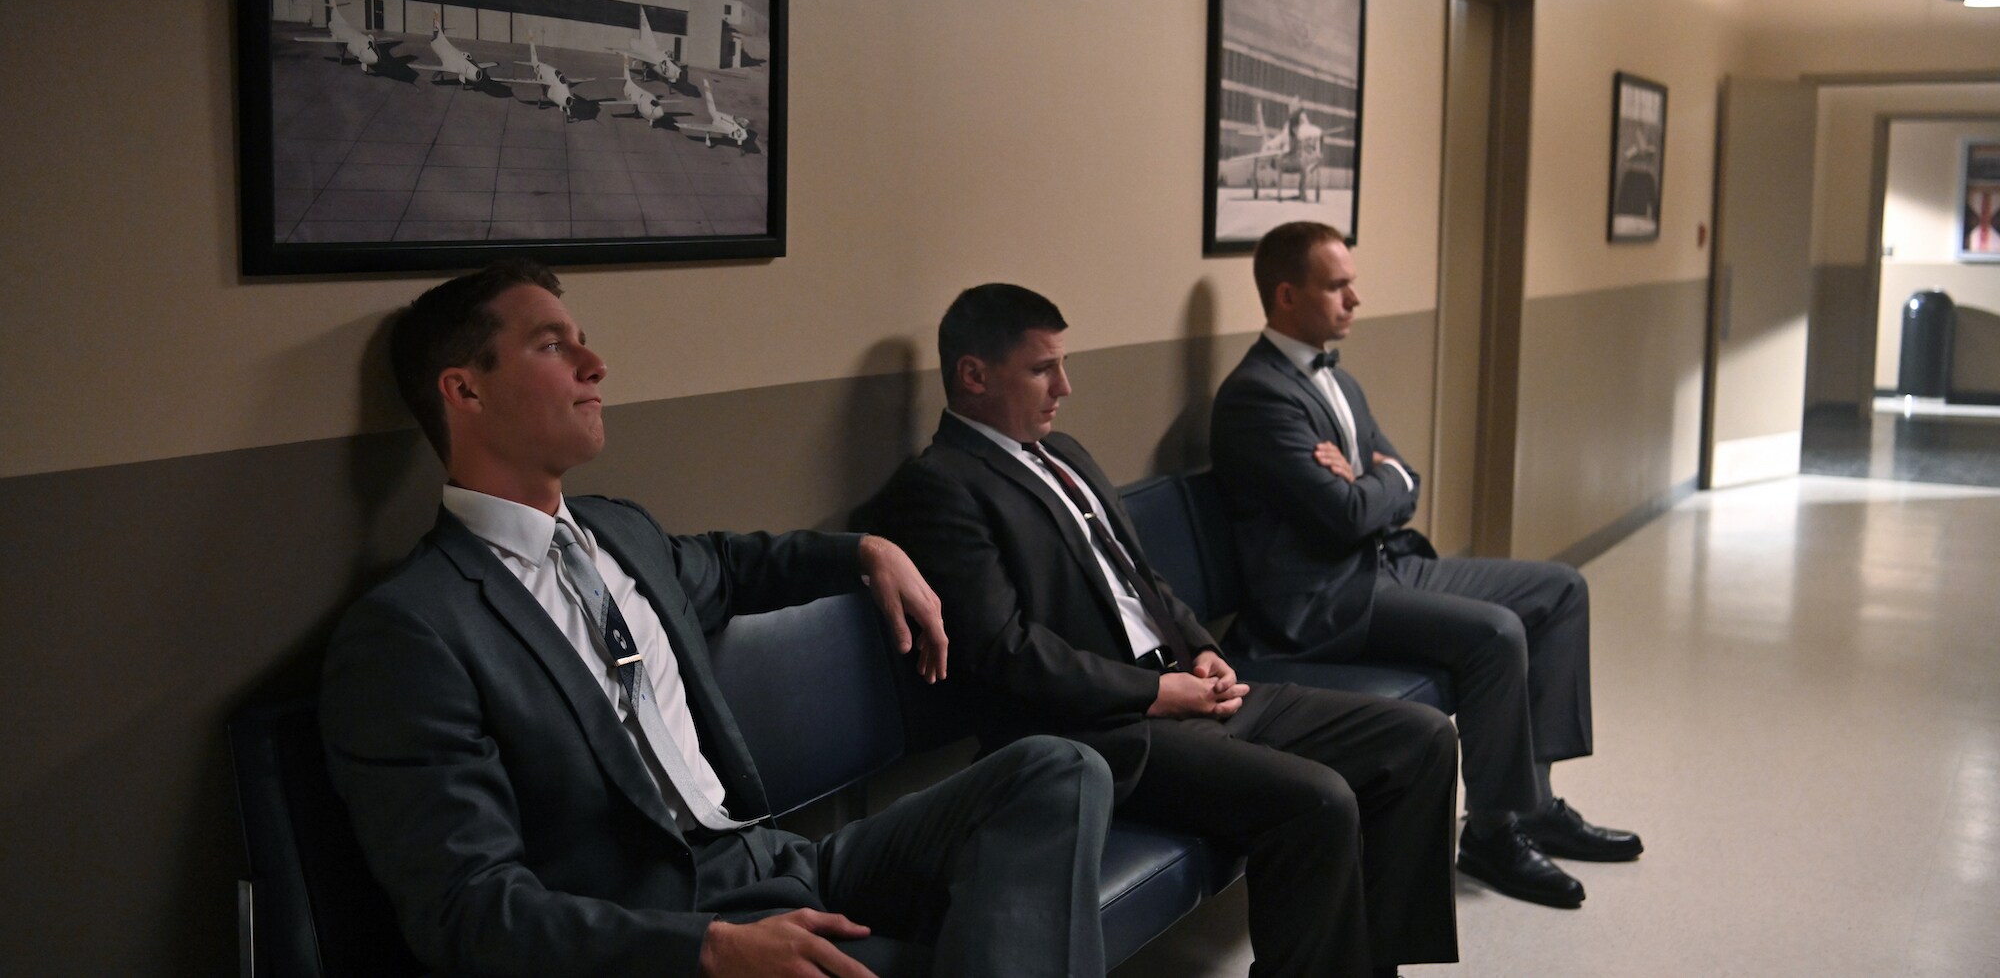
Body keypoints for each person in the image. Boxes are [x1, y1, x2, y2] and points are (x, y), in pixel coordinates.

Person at [320, 261, 1113, 978]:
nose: (596, 366)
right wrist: (707, 948)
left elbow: (737, 565)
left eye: (583, 343)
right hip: (670, 925)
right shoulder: (412, 630)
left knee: (1059, 769)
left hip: (780, 859)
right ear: (466, 390)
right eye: (553, 347)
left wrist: (867, 549)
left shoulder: (619, 533)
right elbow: (466, 910)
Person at [871, 283, 1459, 978]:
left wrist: (1203, 648)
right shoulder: (942, 485)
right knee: (1320, 801)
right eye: (1041, 369)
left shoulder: (1067, 454)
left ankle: (1371, 965)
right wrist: (1155, 691)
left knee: (1421, 737)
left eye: (1062, 363)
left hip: (1186, 688)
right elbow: (1006, 652)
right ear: (973, 375)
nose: (1065, 385)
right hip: (1103, 730)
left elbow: (1146, 581)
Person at [1208, 220, 1644, 911]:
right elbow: (1349, 512)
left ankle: (1535, 799)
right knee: (1497, 632)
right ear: (1287, 295)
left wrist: (1370, 480)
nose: (1355, 298)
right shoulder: (1255, 396)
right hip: (1325, 601)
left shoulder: (1338, 381)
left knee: (1560, 589)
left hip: (1385, 564)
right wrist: (1372, 486)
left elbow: (1402, 478)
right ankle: (1495, 829)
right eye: (1337, 285)